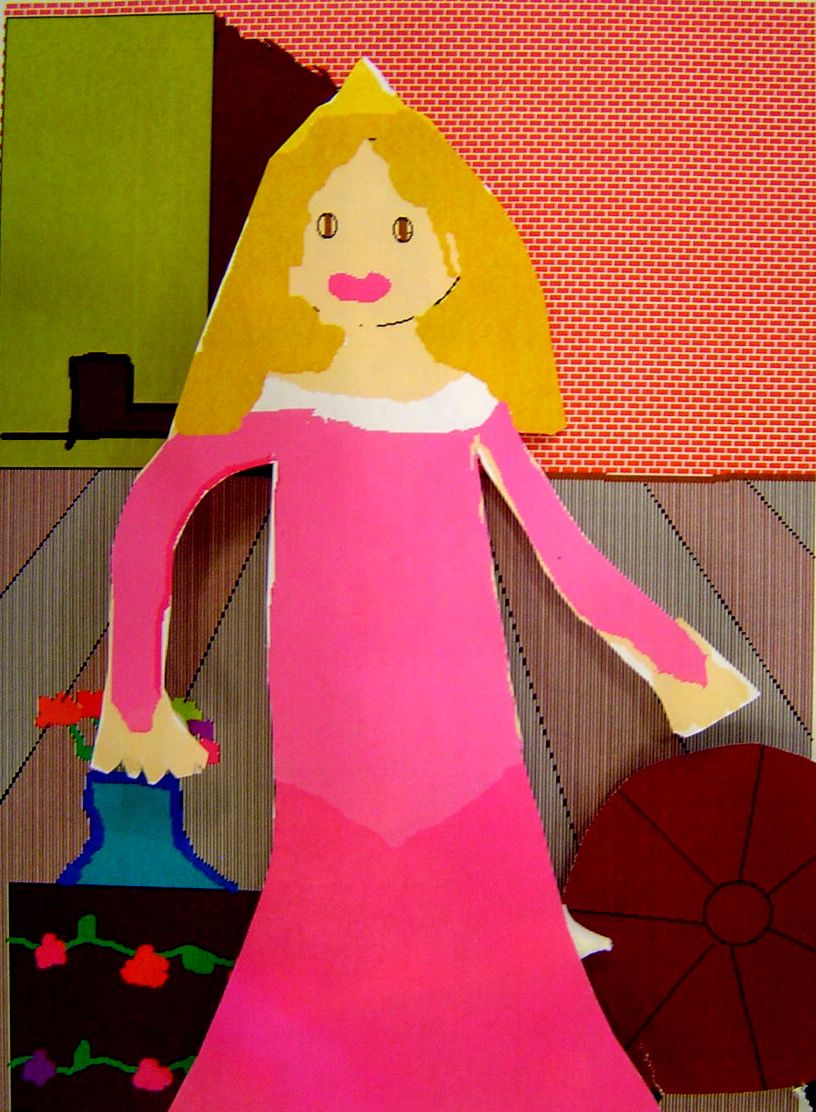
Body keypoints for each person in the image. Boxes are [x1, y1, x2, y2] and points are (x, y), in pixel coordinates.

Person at [92, 60, 756, 1110]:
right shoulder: (282, 400)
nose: (361, 258)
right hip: (329, 727)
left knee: (492, 921)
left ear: (450, 252)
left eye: (399, 230)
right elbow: (156, 503)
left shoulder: (465, 403)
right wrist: (134, 695)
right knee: (329, 908)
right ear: (290, 259)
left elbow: (561, 547)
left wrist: (675, 660)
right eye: (328, 229)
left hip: (466, 722)